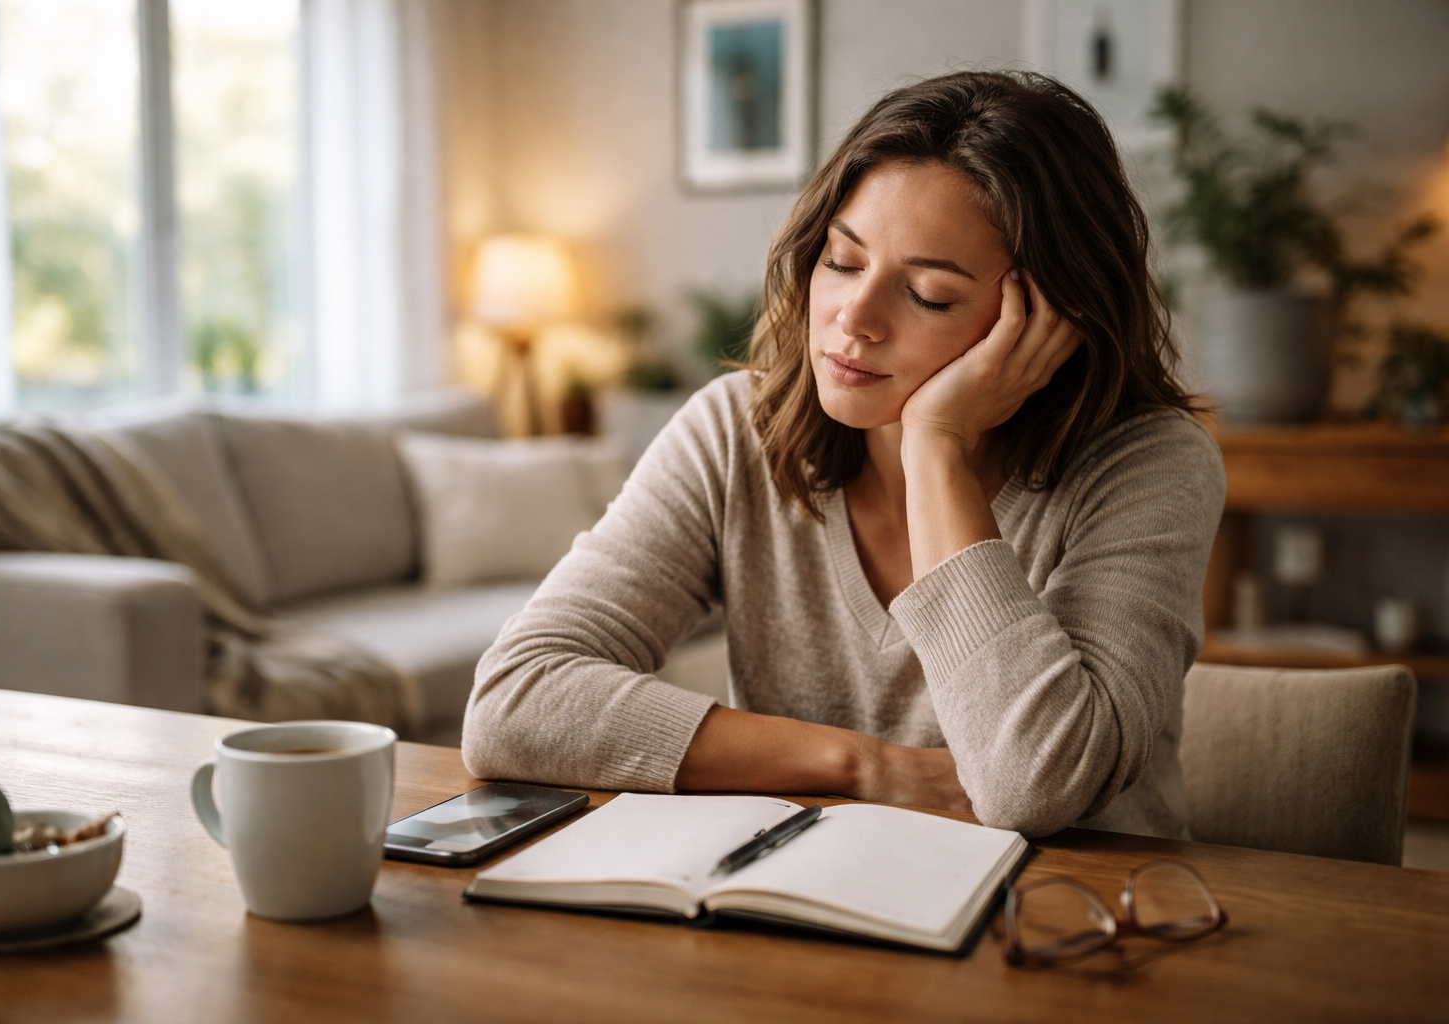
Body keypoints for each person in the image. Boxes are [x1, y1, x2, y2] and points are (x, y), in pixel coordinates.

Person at [462, 71, 1225, 839]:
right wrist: (865, 766)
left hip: (1082, 918)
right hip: (812, 907)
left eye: (928, 294)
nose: (854, 319)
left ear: (1052, 319)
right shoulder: (735, 432)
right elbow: (513, 705)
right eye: (843, 260)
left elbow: (1033, 787)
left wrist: (937, 448)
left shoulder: (1148, 466)